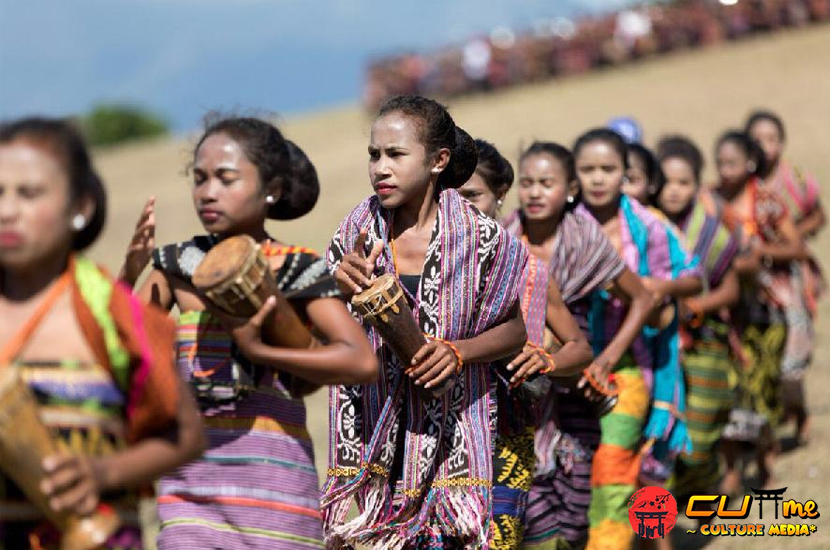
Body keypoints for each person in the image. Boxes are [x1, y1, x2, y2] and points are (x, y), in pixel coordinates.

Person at [122, 115, 378, 549]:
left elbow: (359, 361)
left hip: (277, 495)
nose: (208, 192)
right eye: (200, 179)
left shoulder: (297, 268)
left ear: (270, 189)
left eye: (226, 179)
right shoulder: (176, 267)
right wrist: (130, 272)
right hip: (189, 491)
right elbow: (115, 341)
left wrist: (261, 351)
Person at [324, 96, 529, 548]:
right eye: (374, 155)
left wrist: (458, 353)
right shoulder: (355, 231)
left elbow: (515, 331)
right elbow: (321, 336)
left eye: (396, 155)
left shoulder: (484, 240)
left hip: (458, 428)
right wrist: (336, 289)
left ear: (438, 161)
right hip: (376, 432)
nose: (381, 167)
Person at [0, 117, 205, 550]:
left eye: (29, 193)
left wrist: (103, 473)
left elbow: (186, 435)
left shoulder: (114, 314)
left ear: (81, 207)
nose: (7, 210)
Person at [502, 141, 654, 550]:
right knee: (528, 499)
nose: (534, 192)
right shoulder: (503, 239)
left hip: (578, 387)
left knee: (574, 503)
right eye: (528, 182)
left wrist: (605, 360)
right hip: (519, 389)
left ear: (570, 187)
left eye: (546, 183)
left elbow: (643, 298)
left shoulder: (584, 237)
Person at [571, 129, 702, 550]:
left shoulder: (649, 226)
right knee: (599, 463)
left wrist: (655, 289)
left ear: (624, 174)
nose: (597, 179)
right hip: (580, 364)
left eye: (608, 170)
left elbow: (692, 278)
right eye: (587, 170)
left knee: (644, 461)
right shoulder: (565, 223)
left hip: (648, 361)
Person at [460, 139, 594, 549]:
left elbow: (579, 348)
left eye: (472, 196)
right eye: (451, 197)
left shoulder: (528, 269)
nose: (462, 208)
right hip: (446, 440)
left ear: (501, 196)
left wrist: (547, 362)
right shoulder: (428, 270)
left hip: (512, 435)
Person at [713, 130, 807, 491]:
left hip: (767, 313)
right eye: (720, 163)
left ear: (749, 163)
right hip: (726, 313)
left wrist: (758, 256)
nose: (725, 171)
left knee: (762, 390)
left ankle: (766, 460)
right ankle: (732, 469)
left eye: (732, 163)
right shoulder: (710, 201)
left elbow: (796, 248)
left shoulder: (767, 202)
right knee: (731, 390)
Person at [653, 135, 741, 501]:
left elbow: (732, 289)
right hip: (658, 347)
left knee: (700, 434)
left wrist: (695, 307)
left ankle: (706, 485)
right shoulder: (645, 225)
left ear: (697, 185)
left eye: (684, 183)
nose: (674, 191)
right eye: (667, 182)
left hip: (704, 342)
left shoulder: (710, 231)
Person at [746, 110, 824, 444]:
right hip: (754, 285)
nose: (765, 147)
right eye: (757, 140)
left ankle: (800, 413)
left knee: (793, 354)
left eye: (771, 140)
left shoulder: (794, 178)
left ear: (782, 142)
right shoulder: (741, 185)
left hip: (790, 278)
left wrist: (785, 238)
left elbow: (819, 215)